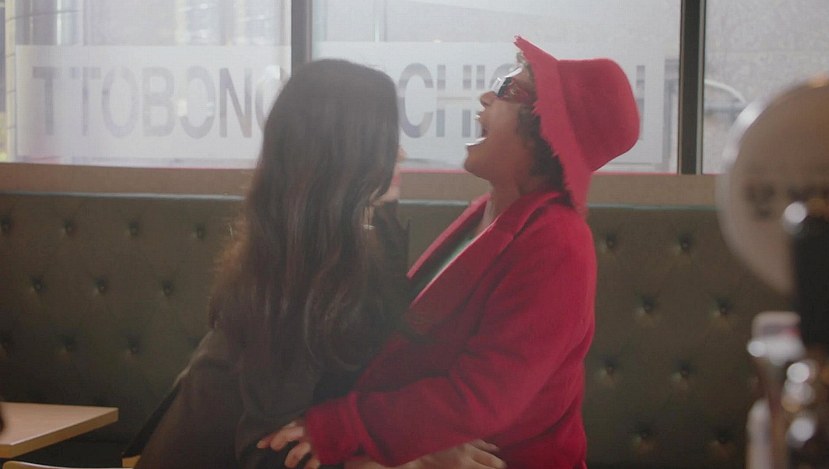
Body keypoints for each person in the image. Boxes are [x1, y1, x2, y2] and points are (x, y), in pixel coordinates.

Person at [259, 36, 641, 469]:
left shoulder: (560, 243)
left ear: (544, 130)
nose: (486, 96)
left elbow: (481, 396)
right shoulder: (492, 210)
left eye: (508, 88)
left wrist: (342, 428)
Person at [131, 58, 504, 469]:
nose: (400, 153)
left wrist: (417, 442)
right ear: (344, 157)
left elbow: (372, 376)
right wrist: (414, 462)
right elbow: (265, 454)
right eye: (383, 143)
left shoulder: (363, 235)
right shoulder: (295, 282)